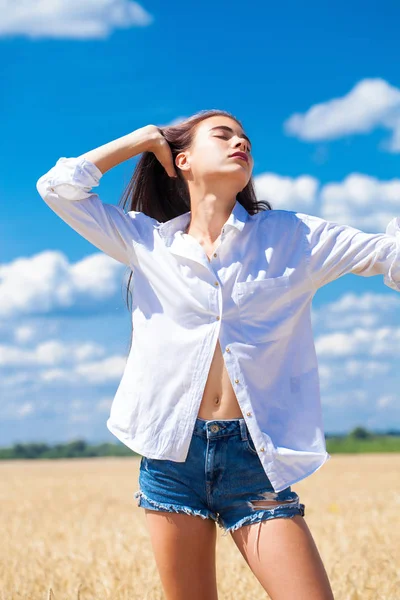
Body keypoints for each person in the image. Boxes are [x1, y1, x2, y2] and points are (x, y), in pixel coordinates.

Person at [36, 109, 399, 600]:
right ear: (181, 159)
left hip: (253, 458)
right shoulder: (147, 241)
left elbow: (388, 255)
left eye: (245, 137)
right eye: (223, 135)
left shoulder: (293, 237)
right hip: (171, 458)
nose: (240, 142)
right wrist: (144, 139)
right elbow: (58, 188)